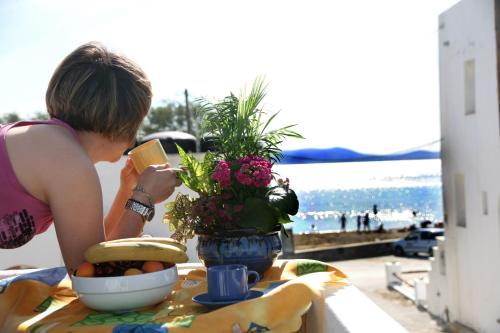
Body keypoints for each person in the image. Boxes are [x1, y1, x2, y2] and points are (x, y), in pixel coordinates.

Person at [0, 42, 181, 274]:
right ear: (125, 124)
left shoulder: (55, 146)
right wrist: (143, 199)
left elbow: (95, 250)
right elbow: (92, 274)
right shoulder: (68, 161)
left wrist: (129, 191)